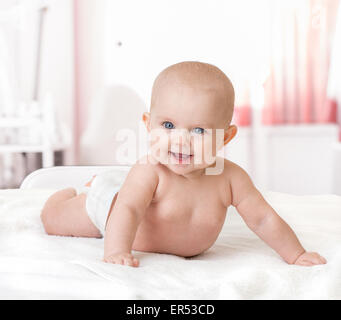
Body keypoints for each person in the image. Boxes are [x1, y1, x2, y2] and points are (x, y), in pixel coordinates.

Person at [40, 61, 327, 268]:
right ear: (147, 124)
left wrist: (296, 254)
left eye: (199, 131)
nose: (181, 141)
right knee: (55, 221)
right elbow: (127, 209)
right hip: (110, 210)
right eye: (168, 125)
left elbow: (263, 218)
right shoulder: (151, 170)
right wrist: (117, 250)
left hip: (127, 195)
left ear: (225, 136)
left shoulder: (230, 178)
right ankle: (68, 195)